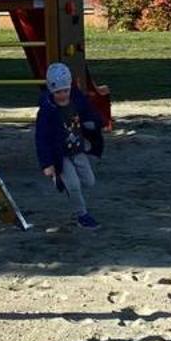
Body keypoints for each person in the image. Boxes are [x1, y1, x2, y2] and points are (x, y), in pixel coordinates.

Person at [35, 62, 104, 229]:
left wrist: (94, 123)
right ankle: (82, 215)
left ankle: (63, 182)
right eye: (58, 92)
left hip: (77, 149)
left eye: (65, 90)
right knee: (73, 185)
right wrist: (47, 164)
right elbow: (41, 138)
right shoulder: (47, 110)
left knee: (89, 181)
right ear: (52, 91)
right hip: (60, 154)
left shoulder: (77, 98)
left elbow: (90, 112)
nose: (63, 95)